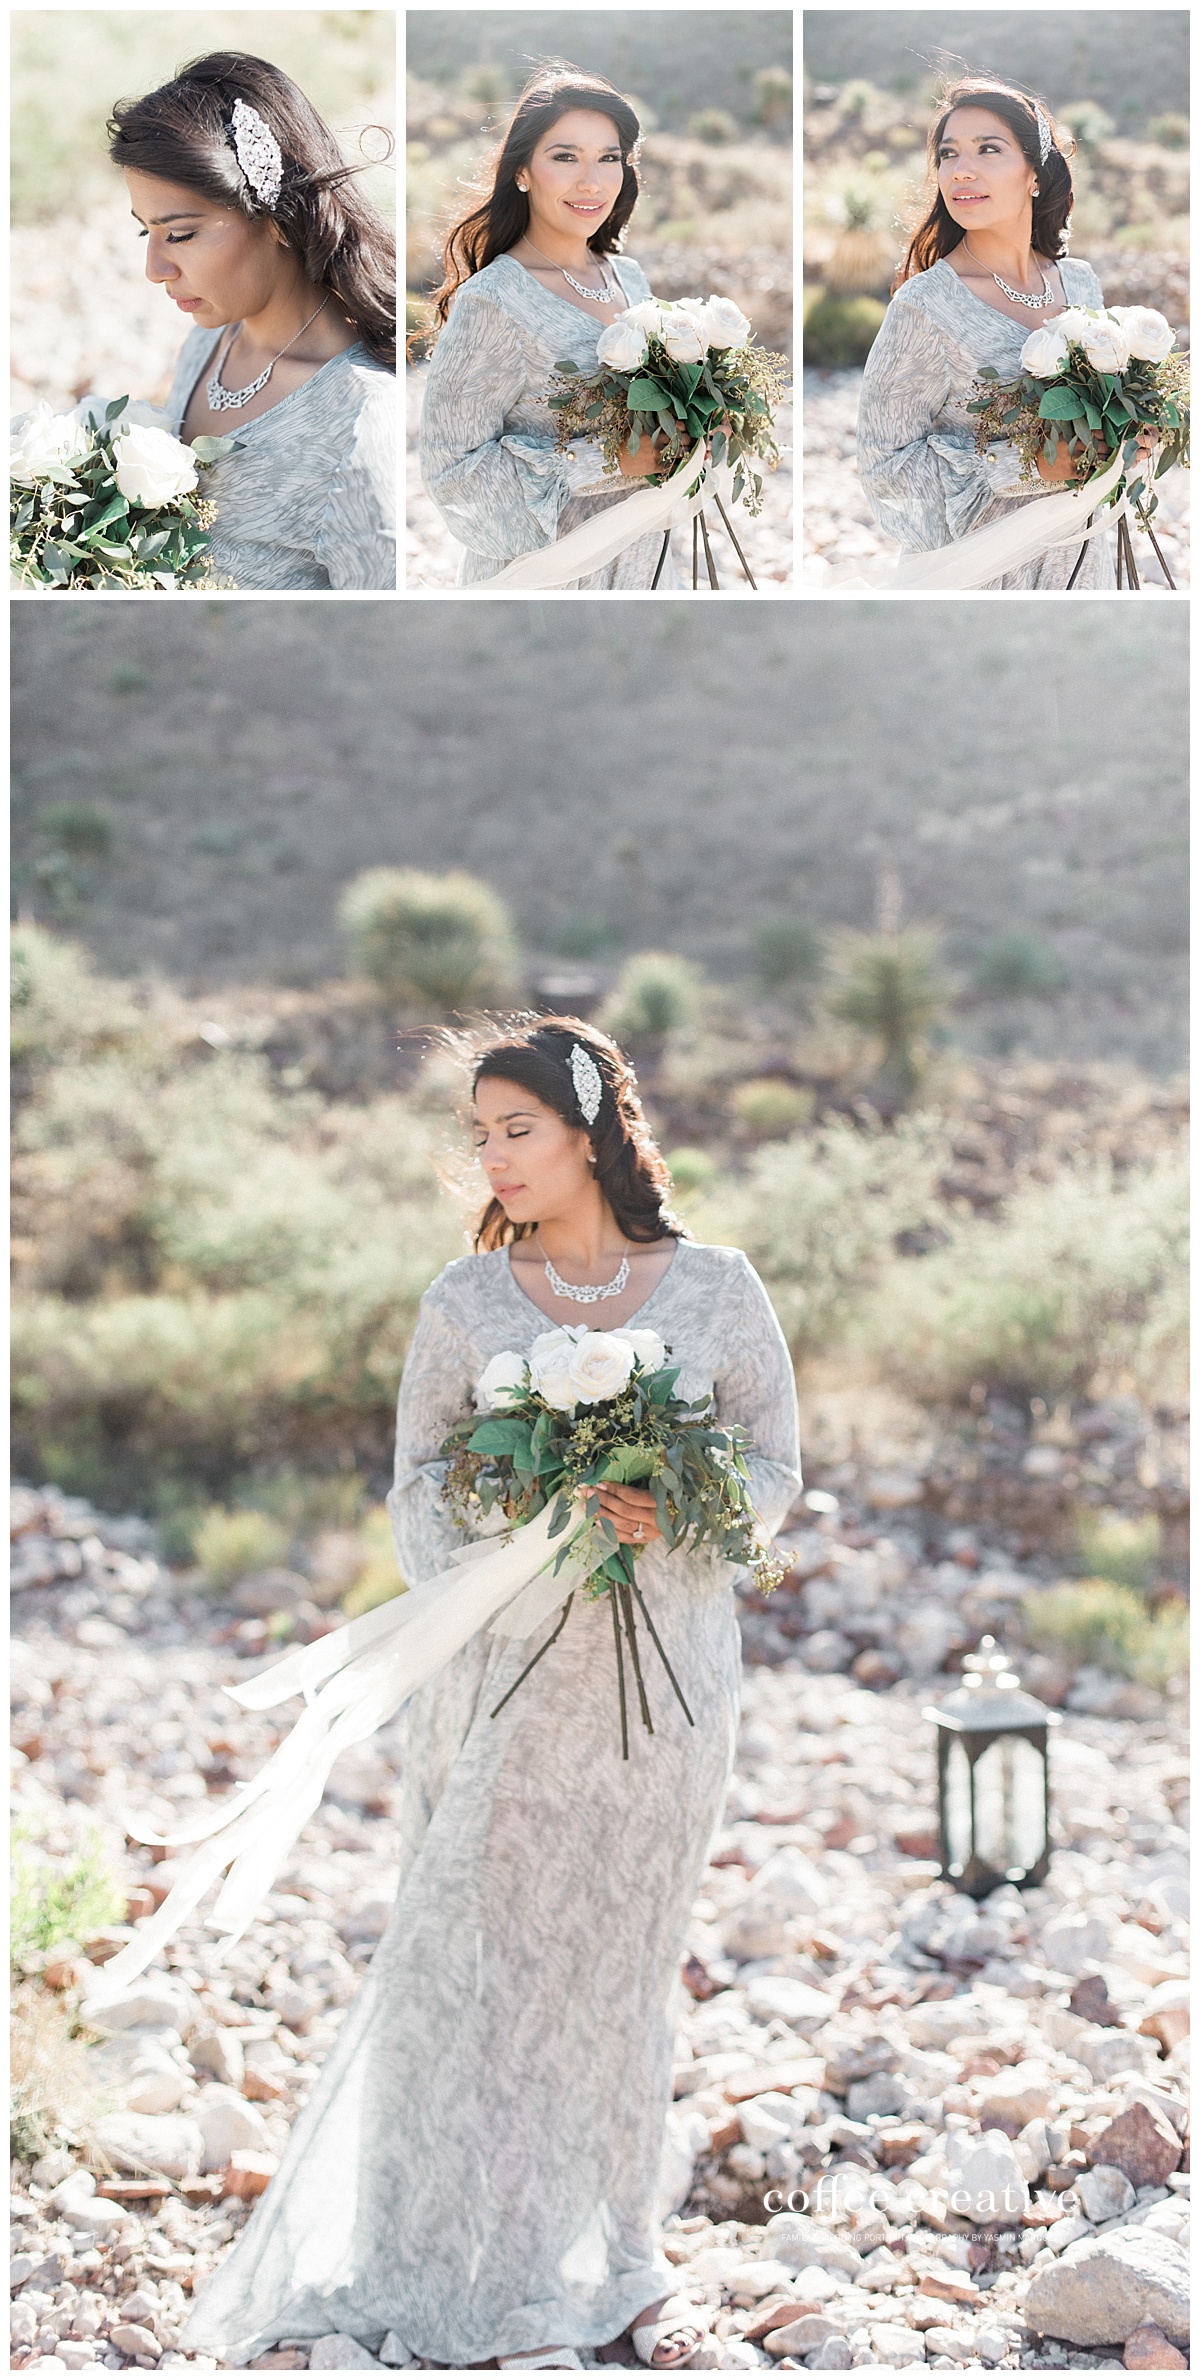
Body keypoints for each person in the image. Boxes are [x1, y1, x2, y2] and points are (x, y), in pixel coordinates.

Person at [181, 1016, 802, 2372]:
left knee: (618, 1964)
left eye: (515, 1129)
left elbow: (772, 1470)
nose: (493, 1157)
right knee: (465, 1957)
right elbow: (416, 1492)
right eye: (480, 1135)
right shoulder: (465, 1306)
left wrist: (671, 1512)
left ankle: (612, 2256)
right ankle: (426, 2248)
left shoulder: (717, 1289)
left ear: (589, 1135)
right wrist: (528, 1525)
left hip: (669, 1690)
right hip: (501, 1682)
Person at [109, 50, 396, 588]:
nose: (154, 269)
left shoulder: (359, 423)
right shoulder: (206, 346)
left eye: (180, 234)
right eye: (143, 231)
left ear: (278, 217)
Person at [418, 66, 690, 589]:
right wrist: (606, 459)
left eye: (608, 158)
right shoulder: (494, 302)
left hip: (646, 571)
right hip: (547, 583)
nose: (591, 181)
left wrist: (702, 427)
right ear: (522, 171)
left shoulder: (628, 276)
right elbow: (452, 478)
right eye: (565, 157)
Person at [856, 76, 1127, 589]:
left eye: (988, 149)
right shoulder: (926, 305)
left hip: (1083, 564)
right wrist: (1025, 465)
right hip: (981, 577)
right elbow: (883, 468)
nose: (962, 170)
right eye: (948, 153)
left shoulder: (1082, 285)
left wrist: (1134, 433)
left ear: (1035, 174)